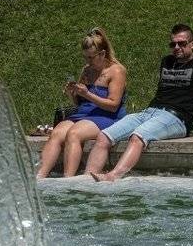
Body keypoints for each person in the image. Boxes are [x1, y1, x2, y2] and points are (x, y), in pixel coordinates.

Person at [87, 24, 193, 181]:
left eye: (182, 43)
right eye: (173, 44)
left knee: (138, 136)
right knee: (104, 136)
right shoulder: (167, 61)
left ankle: (113, 176)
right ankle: (87, 178)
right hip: (150, 112)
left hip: (176, 118)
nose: (177, 47)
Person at [37, 27, 127, 178]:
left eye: (91, 57)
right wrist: (73, 93)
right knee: (58, 132)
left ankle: (68, 179)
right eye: (85, 57)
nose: (87, 61)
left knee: (74, 133)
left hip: (107, 116)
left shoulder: (116, 71)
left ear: (102, 54)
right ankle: (39, 177)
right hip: (85, 113)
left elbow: (113, 106)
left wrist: (88, 94)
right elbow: (80, 103)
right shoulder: (87, 70)